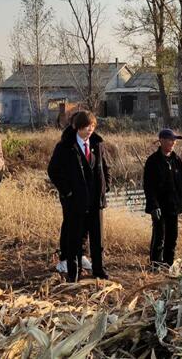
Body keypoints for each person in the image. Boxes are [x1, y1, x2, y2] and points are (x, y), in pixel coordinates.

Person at [47, 110, 111, 282]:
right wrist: (67, 191)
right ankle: (73, 273)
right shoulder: (65, 147)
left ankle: (99, 270)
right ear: (77, 127)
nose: (90, 130)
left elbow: (105, 167)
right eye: (86, 126)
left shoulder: (97, 144)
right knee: (74, 238)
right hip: (75, 202)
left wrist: (106, 186)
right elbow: (53, 171)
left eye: (92, 126)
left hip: (95, 200)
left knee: (97, 238)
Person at [143, 128, 182, 269]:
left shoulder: (177, 160)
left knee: (172, 236)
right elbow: (148, 186)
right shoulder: (152, 161)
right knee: (159, 236)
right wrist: (153, 205)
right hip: (159, 206)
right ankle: (155, 265)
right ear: (161, 141)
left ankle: (168, 264)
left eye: (174, 140)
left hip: (174, 206)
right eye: (170, 140)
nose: (173, 142)